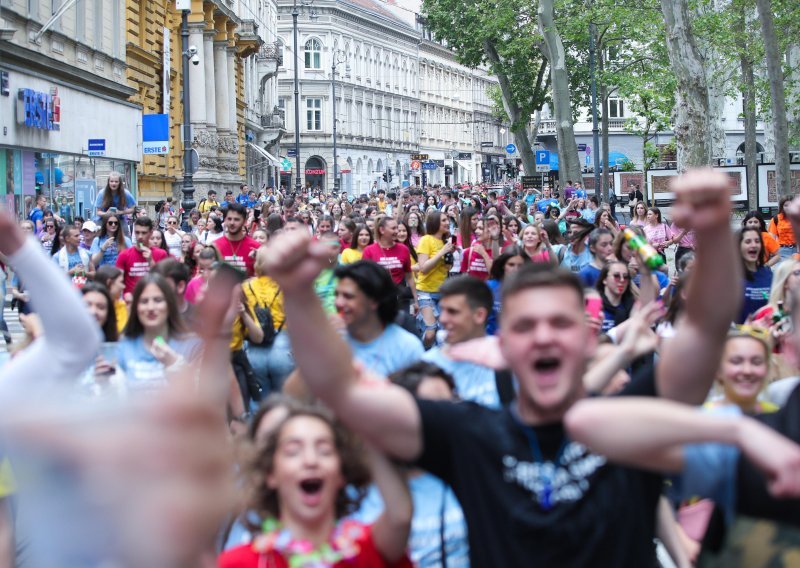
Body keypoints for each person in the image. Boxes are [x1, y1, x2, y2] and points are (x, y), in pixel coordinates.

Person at [262, 167, 741, 567]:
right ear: (505, 342)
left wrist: (716, 233)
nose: (545, 336)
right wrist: (300, 294)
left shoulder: (631, 419)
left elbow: (704, 332)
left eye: (560, 322)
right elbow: (339, 387)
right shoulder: (470, 434)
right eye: (527, 325)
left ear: (586, 336)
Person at [218, 404, 413, 568]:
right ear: (271, 474)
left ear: (341, 472)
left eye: (324, 450)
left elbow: (400, 516)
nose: (311, 460)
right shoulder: (239, 563)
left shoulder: (367, 547)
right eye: (293, 451)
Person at [352, 362, 470, 567]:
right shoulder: (359, 488)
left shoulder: (471, 474)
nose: (443, 420)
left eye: (449, 407)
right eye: (431, 410)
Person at [420, 276, 502, 408]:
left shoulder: (507, 360)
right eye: (442, 310)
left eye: (453, 312)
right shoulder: (427, 364)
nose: (443, 319)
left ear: (479, 315)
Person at [334, 261, 423, 376]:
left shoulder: (407, 348)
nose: (338, 303)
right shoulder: (333, 341)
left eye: (348, 296)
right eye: (336, 295)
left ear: (374, 300)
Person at [117, 273, 202, 393]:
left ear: (169, 304)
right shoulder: (124, 345)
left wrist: (176, 365)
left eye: (158, 300)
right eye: (144, 301)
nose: (151, 307)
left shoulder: (193, 345)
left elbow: (203, 400)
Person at [242, 248, 294, 397]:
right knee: (284, 402)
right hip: (282, 350)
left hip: (254, 352)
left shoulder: (246, 287)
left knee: (260, 405)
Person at [416, 211, 454, 348]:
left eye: (447, 220)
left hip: (442, 292)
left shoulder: (444, 242)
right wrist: (442, 252)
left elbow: (447, 269)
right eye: (444, 220)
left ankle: (437, 364)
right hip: (425, 292)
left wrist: (451, 255)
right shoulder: (426, 240)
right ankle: (418, 353)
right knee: (431, 331)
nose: (447, 222)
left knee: (443, 335)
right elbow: (423, 268)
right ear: (435, 222)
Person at [115, 217, 169, 296]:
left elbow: (165, 280)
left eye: (144, 233)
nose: (140, 236)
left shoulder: (161, 254)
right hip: (131, 301)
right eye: (137, 232)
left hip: (152, 299)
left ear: (150, 233)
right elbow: (118, 281)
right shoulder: (124, 255)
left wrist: (151, 261)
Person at [214, 203, 260, 276]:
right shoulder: (215, 246)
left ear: (244, 221)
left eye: (236, 219)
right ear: (225, 220)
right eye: (229, 219)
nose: (232, 223)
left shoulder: (256, 247)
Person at [737, 227, 772, 324]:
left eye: (757, 241)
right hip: (740, 336)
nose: (754, 245)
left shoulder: (768, 274)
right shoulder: (730, 276)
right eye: (748, 242)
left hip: (766, 335)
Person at [95, 265, 128, 334]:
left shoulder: (123, 306)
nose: (124, 286)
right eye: (121, 282)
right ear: (109, 283)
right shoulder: (91, 310)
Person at [768, 196, 797, 260]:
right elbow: (772, 237)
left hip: (797, 249)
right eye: (786, 205)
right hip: (782, 250)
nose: (788, 208)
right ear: (782, 207)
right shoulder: (776, 219)